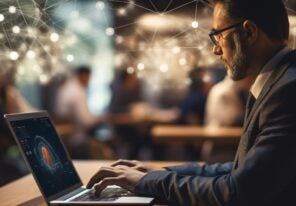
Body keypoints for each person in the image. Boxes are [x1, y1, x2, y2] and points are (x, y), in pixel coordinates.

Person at [87, 0, 296, 205]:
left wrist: (149, 181)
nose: (216, 50)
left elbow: (238, 191)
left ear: (249, 32)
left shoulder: (287, 91)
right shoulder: (280, 81)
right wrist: (160, 173)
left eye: (219, 35)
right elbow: (240, 170)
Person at [54, 66, 100, 145]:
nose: (89, 81)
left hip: (64, 136)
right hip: (76, 137)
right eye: (89, 78)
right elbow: (85, 120)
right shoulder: (77, 91)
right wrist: (99, 120)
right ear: (84, 76)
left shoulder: (66, 87)